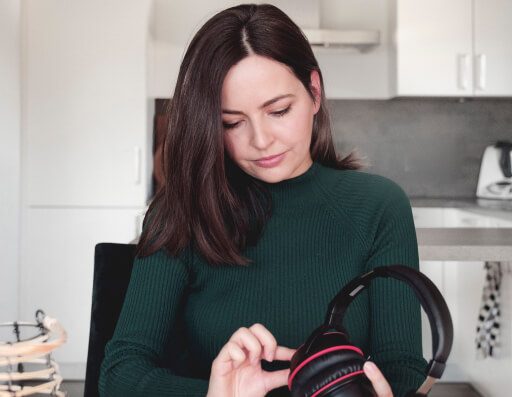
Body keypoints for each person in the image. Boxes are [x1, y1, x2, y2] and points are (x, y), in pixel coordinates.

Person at [98, 3, 428, 397]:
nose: (260, 140)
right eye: (232, 122)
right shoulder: (180, 212)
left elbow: (404, 370)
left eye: (279, 110)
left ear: (314, 92)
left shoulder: (379, 206)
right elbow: (120, 374)